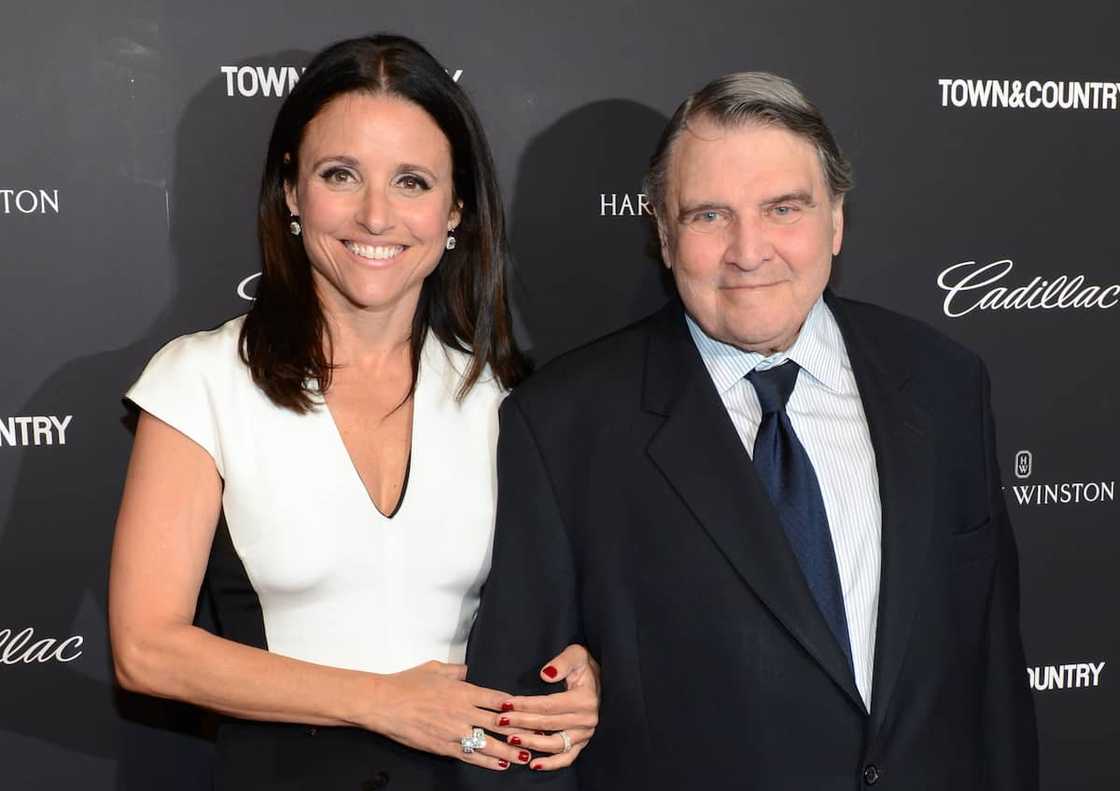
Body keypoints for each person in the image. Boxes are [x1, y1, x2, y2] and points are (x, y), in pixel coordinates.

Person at [461, 72, 1038, 790]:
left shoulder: (946, 384)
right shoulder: (564, 424)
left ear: (835, 221)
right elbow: (520, 733)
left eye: (783, 208)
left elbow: (994, 682)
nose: (749, 249)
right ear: (664, 237)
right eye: (709, 215)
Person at [109, 35, 598, 790]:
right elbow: (146, 648)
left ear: (455, 210)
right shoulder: (201, 381)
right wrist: (381, 702)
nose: (377, 216)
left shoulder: (502, 394)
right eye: (342, 175)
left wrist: (579, 671)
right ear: (293, 192)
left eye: (412, 181)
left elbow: (555, 613)